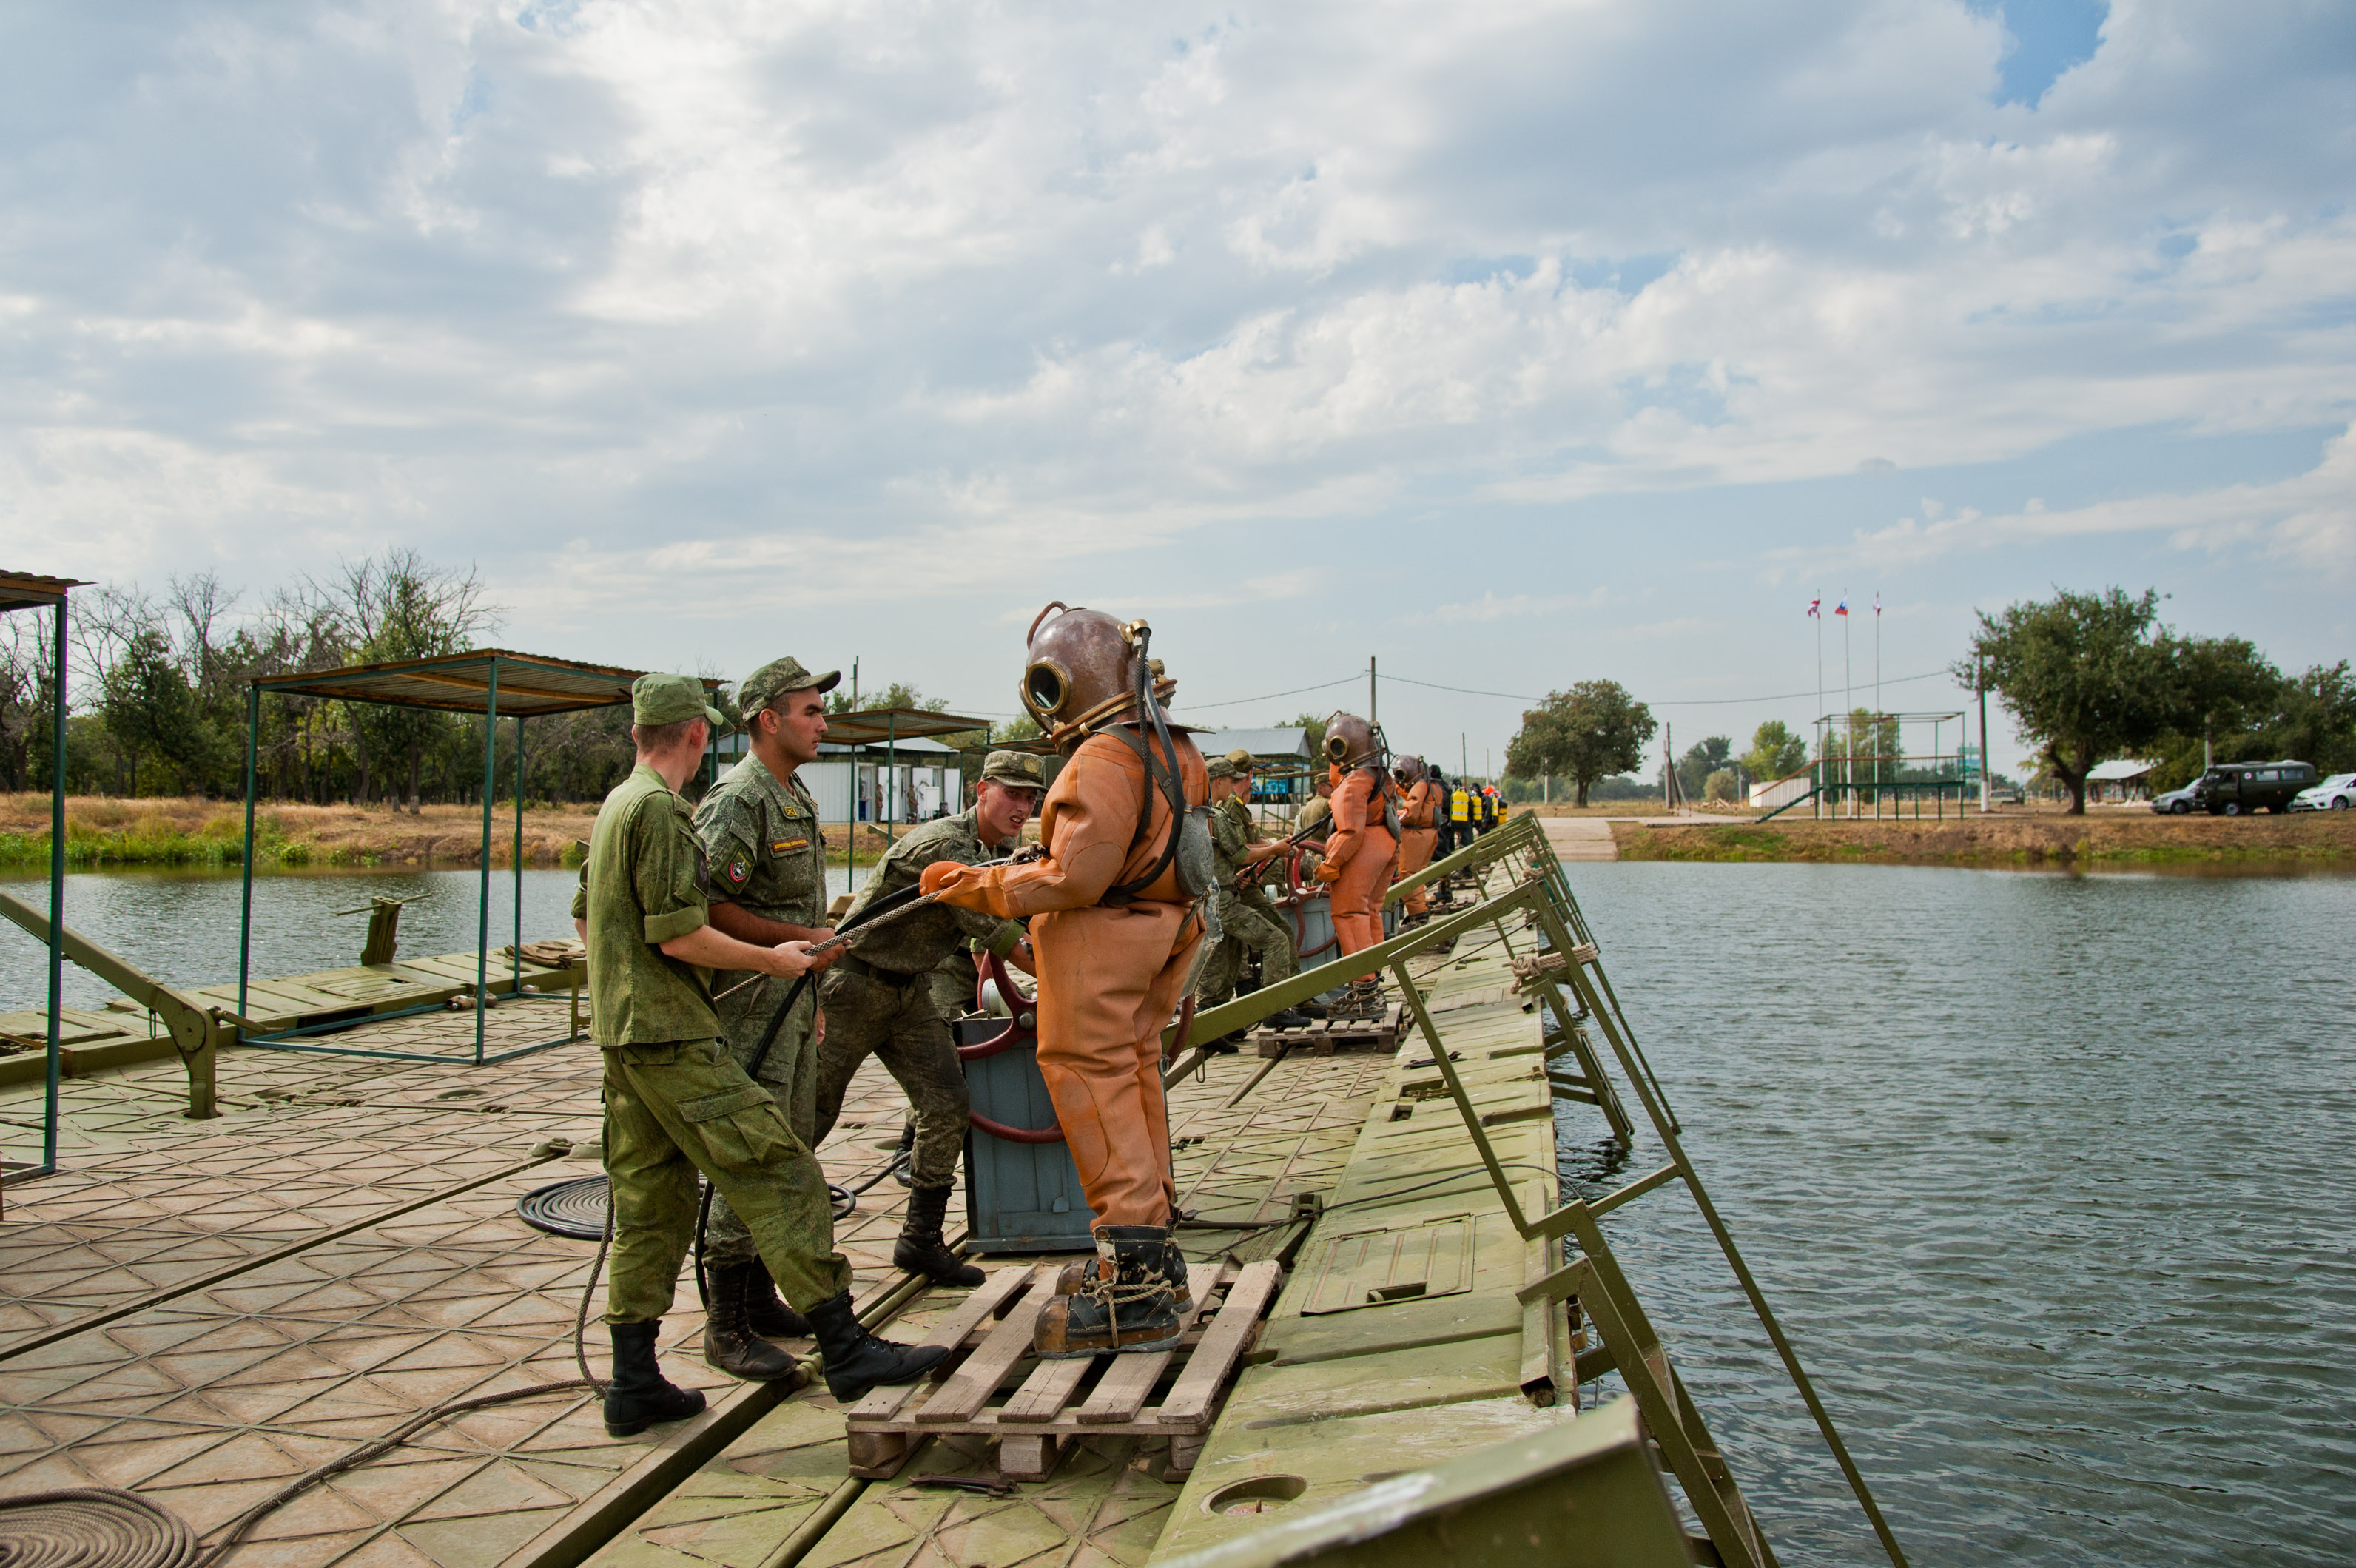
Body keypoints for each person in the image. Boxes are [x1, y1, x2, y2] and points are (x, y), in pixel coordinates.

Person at [573, 674, 946, 1431]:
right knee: (780, 1168)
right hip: (672, 1035)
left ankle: (632, 1379)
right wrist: (773, 960)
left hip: (626, 1036)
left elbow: (589, 916)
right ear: (697, 734)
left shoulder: (619, 805)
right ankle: (845, 1347)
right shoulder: (663, 811)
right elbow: (679, 931)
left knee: (652, 1204)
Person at [921, 603, 1207, 1359]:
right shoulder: (1172, 750)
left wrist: (972, 886)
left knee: (1090, 1075)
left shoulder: (1103, 759)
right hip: (1162, 929)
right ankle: (1155, 1252)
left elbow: (1076, 875)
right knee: (1135, 1075)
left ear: (1057, 686)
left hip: (1102, 942)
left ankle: (1136, 1285)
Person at [809, 751, 1045, 1287]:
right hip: (854, 985)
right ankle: (754, 1257)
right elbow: (998, 932)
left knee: (947, 1104)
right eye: (1012, 793)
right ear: (981, 790)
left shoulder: (994, 850)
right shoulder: (948, 847)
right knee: (811, 1118)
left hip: (908, 991)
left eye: (1031, 798)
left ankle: (920, 1239)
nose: (1022, 807)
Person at [690, 656, 844, 1378]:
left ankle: (756, 1296)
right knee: (751, 1153)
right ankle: (724, 1326)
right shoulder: (738, 798)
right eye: (809, 711)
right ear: (767, 719)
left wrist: (809, 980)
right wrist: (802, 944)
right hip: (750, 1003)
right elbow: (708, 907)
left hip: (791, 1001)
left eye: (820, 710)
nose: (822, 722)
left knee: (790, 1141)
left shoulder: (793, 792)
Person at [1191, 756, 1307, 1050]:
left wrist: (1233, 877)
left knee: (1222, 968)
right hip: (1222, 903)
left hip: (1214, 898)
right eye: (1231, 780)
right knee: (1276, 940)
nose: (1234, 786)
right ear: (1218, 782)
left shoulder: (1196, 814)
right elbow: (1241, 854)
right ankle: (1275, 1008)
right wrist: (1275, 850)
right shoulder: (1215, 816)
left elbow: (1218, 861)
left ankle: (1211, 1031)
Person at [1313, 712, 1399, 1018]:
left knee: (1349, 914)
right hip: (1386, 845)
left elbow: (1350, 832)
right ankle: (1374, 979)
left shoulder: (1352, 784)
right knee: (1369, 912)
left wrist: (1329, 864)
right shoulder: (1379, 776)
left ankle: (1365, 995)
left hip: (1364, 850)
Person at [1392, 754, 1439, 923]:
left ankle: (1417, 915)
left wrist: (1392, 816)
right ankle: (1420, 911)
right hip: (1427, 834)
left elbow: (1411, 814)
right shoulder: (1428, 785)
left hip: (1416, 835)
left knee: (1407, 875)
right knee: (1416, 875)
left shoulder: (1420, 787)